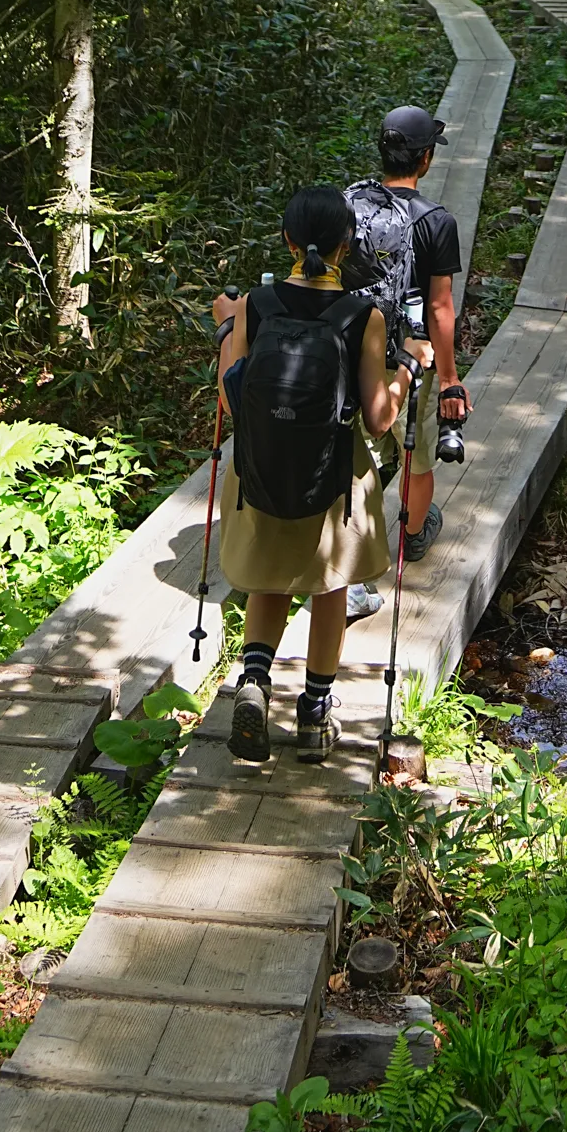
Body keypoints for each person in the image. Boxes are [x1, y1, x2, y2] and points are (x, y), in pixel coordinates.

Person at [216, 184, 426, 764]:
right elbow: (379, 420)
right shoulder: (365, 316)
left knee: (268, 577)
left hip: (261, 467)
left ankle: (255, 682)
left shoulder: (256, 307)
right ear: (348, 244)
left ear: (286, 239)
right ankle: (313, 716)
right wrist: (408, 371)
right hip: (333, 478)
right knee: (331, 587)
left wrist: (226, 329)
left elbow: (232, 399)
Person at [346, 103, 470, 565]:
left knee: (360, 450)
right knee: (417, 456)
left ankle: (354, 539)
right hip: (408, 356)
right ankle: (413, 534)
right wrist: (451, 378)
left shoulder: (349, 204)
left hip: (351, 346)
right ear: (425, 159)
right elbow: (440, 307)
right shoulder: (437, 221)